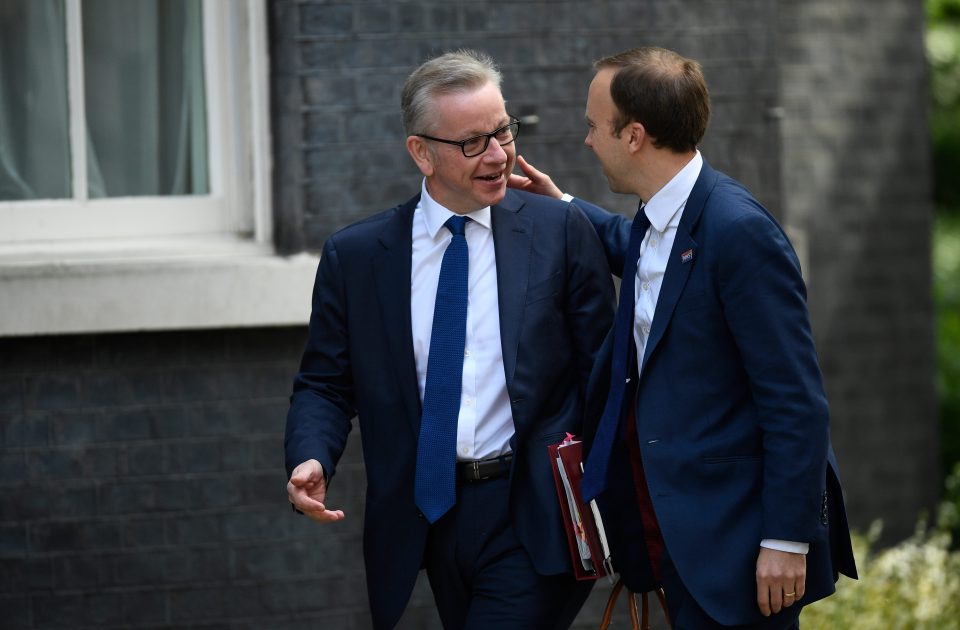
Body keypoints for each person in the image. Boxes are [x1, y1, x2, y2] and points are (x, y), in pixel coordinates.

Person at [509, 46, 857, 629]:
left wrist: (786, 540)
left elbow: (795, 400)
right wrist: (565, 206)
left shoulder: (740, 232)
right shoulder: (660, 215)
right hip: (676, 533)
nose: (587, 141)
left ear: (635, 135)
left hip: (740, 546)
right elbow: (637, 251)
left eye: (594, 127)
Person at [284, 49, 615, 630]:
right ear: (422, 153)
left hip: (531, 513)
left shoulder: (561, 231)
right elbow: (325, 383)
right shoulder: (357, 258)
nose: (497, 155)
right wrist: (312, 454)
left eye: (503, 131)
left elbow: (604, 374)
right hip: (429, 515)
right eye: (472, 143)